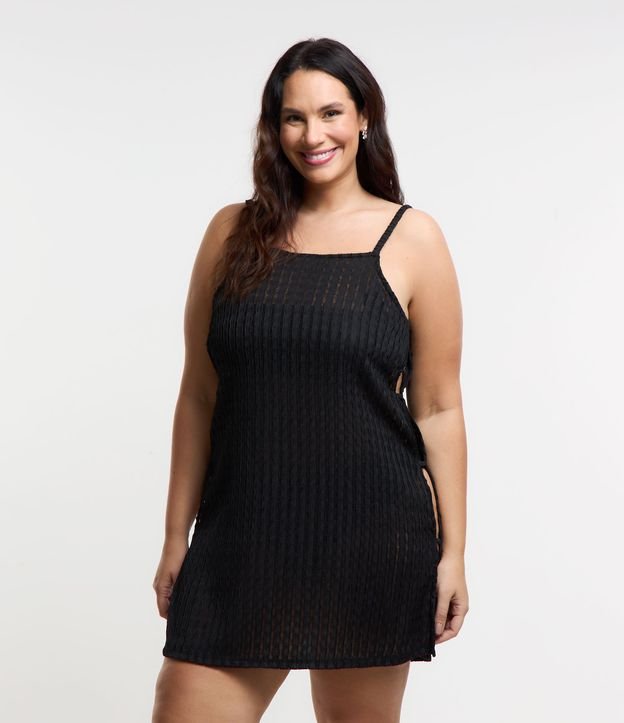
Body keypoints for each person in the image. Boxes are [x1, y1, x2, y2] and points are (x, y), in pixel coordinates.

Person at [151, 37, 468, 723]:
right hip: (242, 536)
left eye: (331, 113)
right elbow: (199, 393)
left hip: (372, 539)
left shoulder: (413, 238)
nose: (312, 135)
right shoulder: (231, 233)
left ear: (363, 117)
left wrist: (454, 555)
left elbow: (439, 407)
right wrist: (177, 535)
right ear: (273, 127)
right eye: (293, 117)